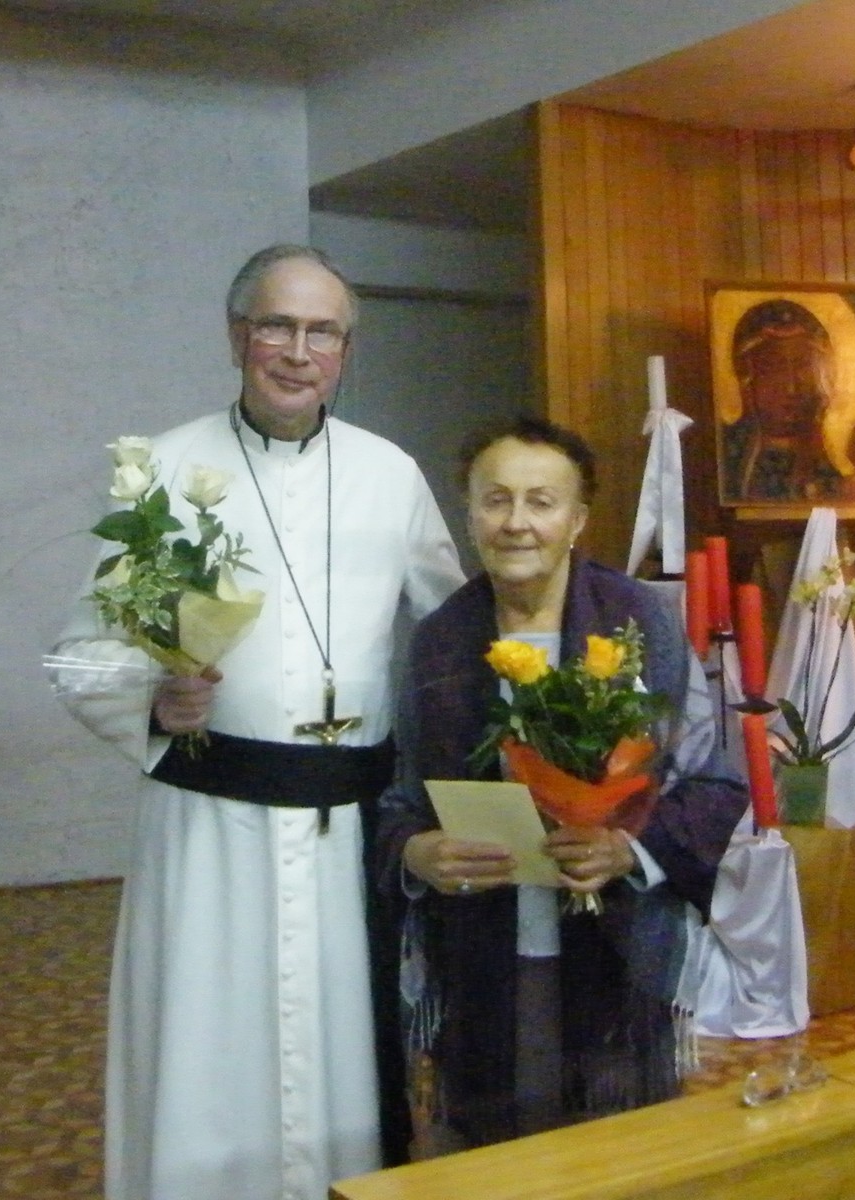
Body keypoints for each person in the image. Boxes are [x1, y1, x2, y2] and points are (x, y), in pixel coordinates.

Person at [52, 244, 464, 1200]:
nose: (298, 351)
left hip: (344, 833)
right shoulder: (163, 468)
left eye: (323, 332)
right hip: (209, 827)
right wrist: (151, 698)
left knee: (341, 1051)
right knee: (208, 1045)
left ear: (346, 350)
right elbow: (80, 652)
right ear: (238, 336)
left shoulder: (389, 473)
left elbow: (452, 637)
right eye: (277, 325)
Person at [374, 415, 749, 1152]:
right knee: (493, 1160)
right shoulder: (438, 640)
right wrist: (417, 853)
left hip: (615, 951)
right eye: (495, 500)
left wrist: (627, 849)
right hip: (481, 953)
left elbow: (714, 783)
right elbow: (397, 799)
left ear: (577, 520)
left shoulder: (641, 628)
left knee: (613, 1158)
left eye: (540, 502)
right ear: (468, 514)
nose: (516, 522)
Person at [722, 299, 842, 502]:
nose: (791, 388)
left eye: (803, 368)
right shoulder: (725, 456)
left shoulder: (833, 468)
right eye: (775, 370)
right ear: (746, 377)